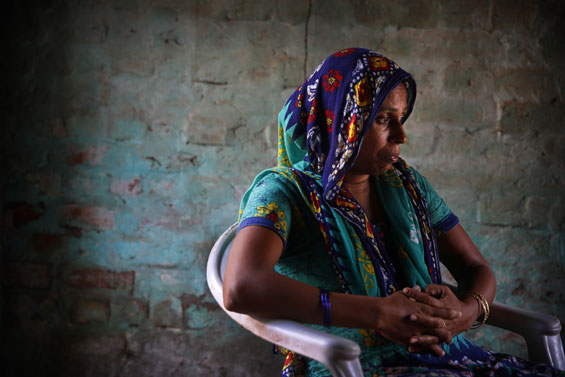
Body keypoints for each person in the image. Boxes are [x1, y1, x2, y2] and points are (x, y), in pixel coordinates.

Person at [222, 48, 564, 376]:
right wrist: (377, 314)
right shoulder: (285, 191)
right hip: (350, 364)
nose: (401, 135)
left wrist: (466, 311)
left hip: (453, 358)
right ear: (340, 121)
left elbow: (475, 268)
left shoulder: (408, 185)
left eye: (401, 118)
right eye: (383, 119)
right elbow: (240, 287)